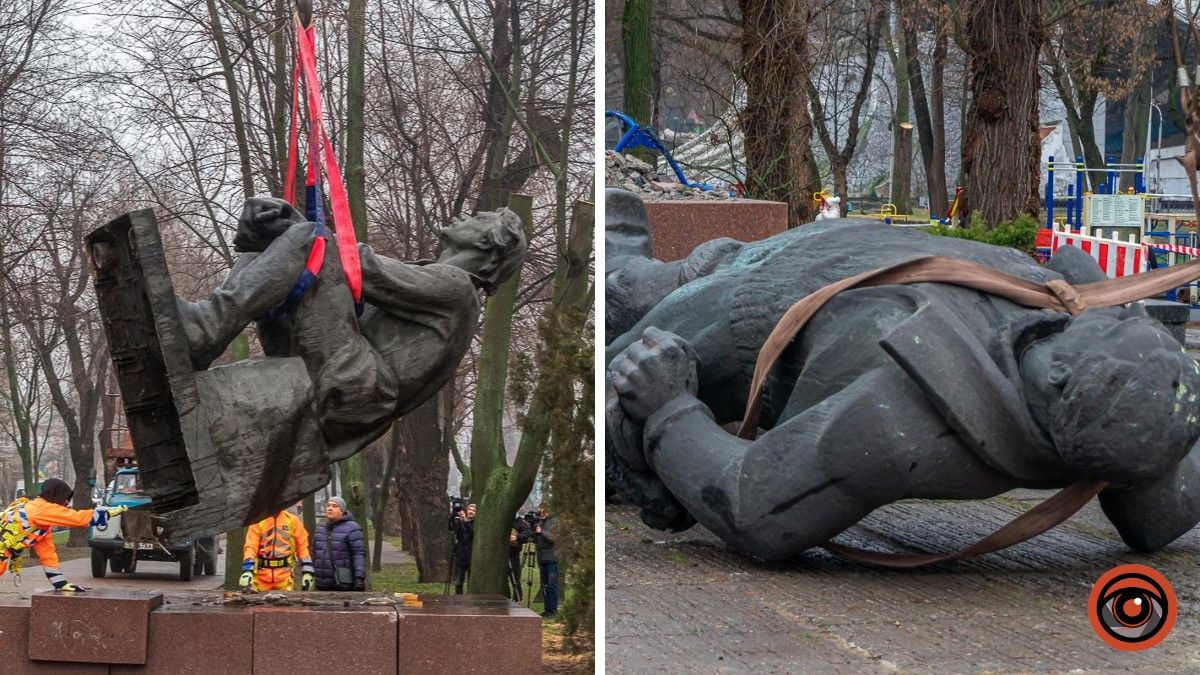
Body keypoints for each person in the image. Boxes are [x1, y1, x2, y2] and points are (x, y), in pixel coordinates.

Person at [605, 187, 1200, 560]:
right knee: (689, 270)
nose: (1114, 311)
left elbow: (752, 508)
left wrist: (668, 410)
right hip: (828, 261)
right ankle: (642, 274)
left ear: (1062, 374)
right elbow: (1156, 515)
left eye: (1115, 322)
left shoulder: (902, 424)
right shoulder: (1128, 407)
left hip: (753, 317)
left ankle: (624, 284)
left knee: (628, 349)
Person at [0, 478, 125, 592]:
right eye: (65, 498)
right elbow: (77, 519)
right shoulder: (42, 509)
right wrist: (106, 513)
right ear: (56, 495)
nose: (66, 503)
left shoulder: (40, 523)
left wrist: (61, 584)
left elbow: (48, 555)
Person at [240, 504, 314, 592]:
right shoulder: (258, 521)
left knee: (284, 604)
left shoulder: (292, 521)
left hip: (285, 578)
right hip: (261, 577)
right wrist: (247, 570)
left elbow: (302, 548)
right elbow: (251, 547)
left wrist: (308, 572)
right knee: (259, 604)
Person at [312, 496, 365, 591]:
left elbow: (358, 554)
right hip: (321, 583)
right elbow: (314, 553)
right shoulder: (320, 527)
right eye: (328, 505)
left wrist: (359, 578)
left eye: (334, 506)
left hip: (341, 583)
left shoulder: (352, 528)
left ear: (342, 510)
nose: (330, 508)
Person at [534, 504, 558, 618]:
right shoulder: (540, 522)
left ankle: (553, 610)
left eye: (542, 509)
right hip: (542, 557)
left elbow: (554, 538)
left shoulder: (553, 522)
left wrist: (542, 531)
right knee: (544, 585)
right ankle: (547, 609)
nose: (540, 511)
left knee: (551, 584)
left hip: (551, 557)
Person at [448, 503, 475, 594]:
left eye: (473, 510)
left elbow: (472, 534)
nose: (471, 512)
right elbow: (451, 528)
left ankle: (471, 599)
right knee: (459, 581)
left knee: (472, 582)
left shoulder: (477, 524)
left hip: (473, 555)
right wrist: (453, 515)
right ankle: (459, 599)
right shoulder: (459, 521)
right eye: (469, 510)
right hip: (461, 554)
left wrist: (466, 521)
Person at [508, 514, 532, 602]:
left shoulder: (520, 521)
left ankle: (517, 598)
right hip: (501, 553)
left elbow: (528, 533)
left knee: (515, 577)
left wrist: (516, 537)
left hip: (514, 553)